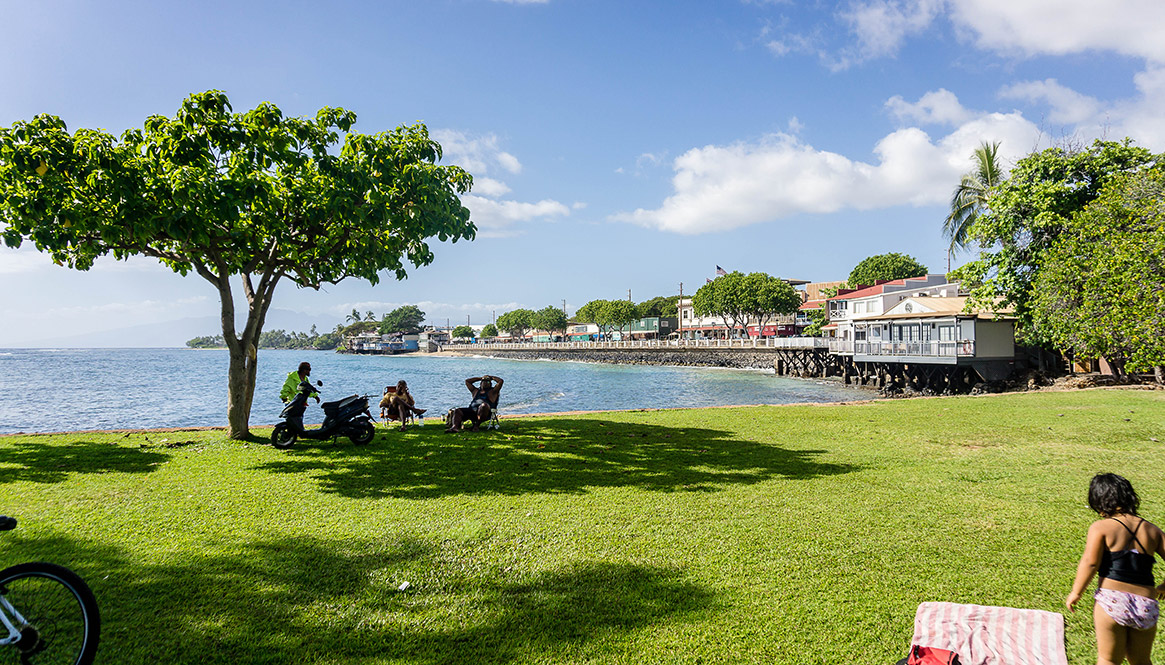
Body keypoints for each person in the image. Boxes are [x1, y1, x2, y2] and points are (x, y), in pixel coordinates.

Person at [1066, 473, 1165, 665]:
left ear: (1099, 501)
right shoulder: (1152, 530)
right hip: (1146, 603)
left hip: (1112, 600)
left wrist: (1076, 592)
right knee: (1142, 661)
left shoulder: (1101, 528)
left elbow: (1090, 563)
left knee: (1108, 659)